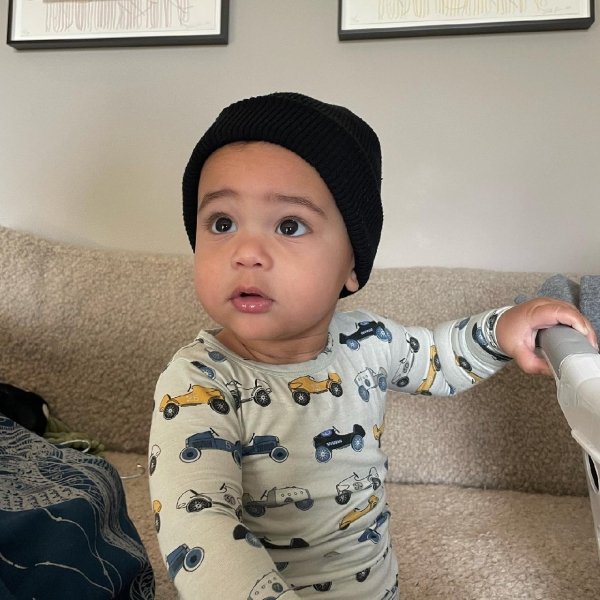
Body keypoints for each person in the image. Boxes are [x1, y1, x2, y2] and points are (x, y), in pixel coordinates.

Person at [148, 92, 597, 599]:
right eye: (222, 223)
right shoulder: (198, 380)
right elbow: (198, 523)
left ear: (352, 266)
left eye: (289, 225)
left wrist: (500, 329)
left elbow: (437, 358)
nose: (246, 252)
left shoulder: (367, 341)